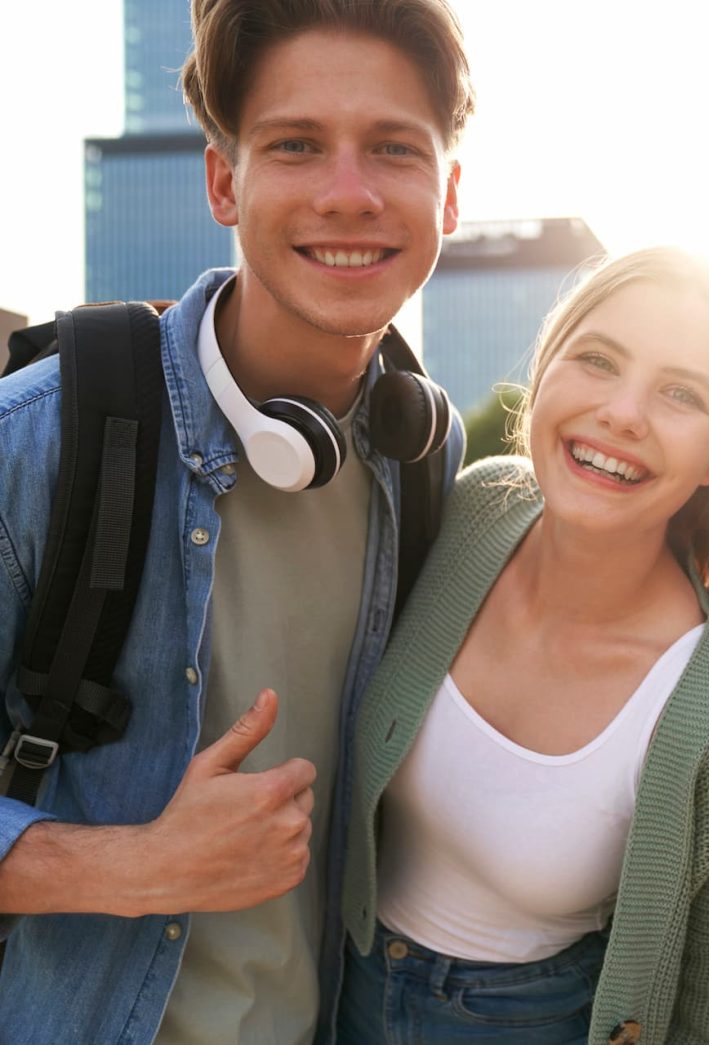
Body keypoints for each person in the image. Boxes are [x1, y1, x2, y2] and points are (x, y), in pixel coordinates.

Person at [0, 0, 472, 1040]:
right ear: (224, 179)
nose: (348, 196)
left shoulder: (433, 471)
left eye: (392, 150)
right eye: (296, 146)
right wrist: (134, 865)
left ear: (446, 191)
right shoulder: (34, 443)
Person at [336, 247, 709, 1045]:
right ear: (545, 370)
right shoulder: (472, 512)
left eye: (682, 392)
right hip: (341, 988)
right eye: (597, 360)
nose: (623, 413)